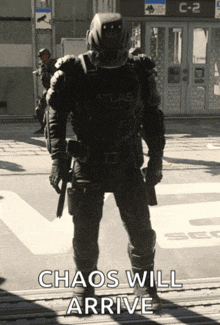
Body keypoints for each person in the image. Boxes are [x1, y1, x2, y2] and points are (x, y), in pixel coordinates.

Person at [45, 12, 165, 314]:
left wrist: (156, 161)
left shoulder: (138, 71)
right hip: (87, 162)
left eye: (117, 54)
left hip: (126, 160)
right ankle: (85, 283)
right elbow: (54, 113)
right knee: (84, 233)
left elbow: (153, 117)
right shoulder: (73, 71)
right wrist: (57, 159)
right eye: (104, 54)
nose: (111, 60)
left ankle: (145, 283)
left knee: (141, 231)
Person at [33, 48, 57, 134]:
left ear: (48, 56)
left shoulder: (53, 64)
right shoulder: (42, 64)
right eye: (41, 56)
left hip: (55, 90)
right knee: (39, 110)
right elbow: (41, 72)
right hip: (46, 90)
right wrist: (37, 72)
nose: (42, 58)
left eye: (44, 56)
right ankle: (43, 128)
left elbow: (55, 75)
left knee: (55, 111)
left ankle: (54, 129)